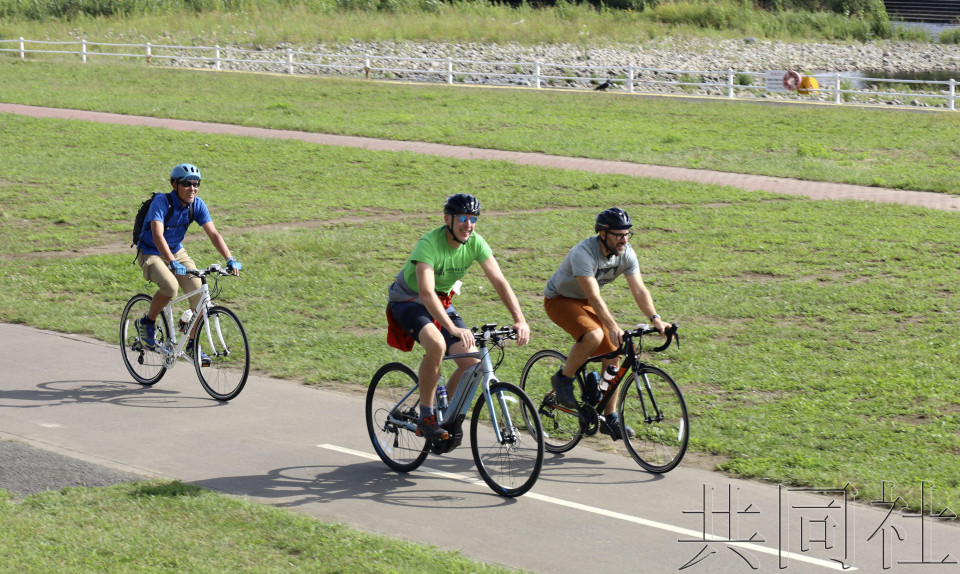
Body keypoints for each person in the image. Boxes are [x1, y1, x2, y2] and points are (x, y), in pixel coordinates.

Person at [387, 193, 530, 440]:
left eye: (473, 218)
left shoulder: (475, 242)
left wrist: (520, 319)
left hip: (441, 301)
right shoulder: (429, 243)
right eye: (462, 217)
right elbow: (425, 292)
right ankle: (427, 416)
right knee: (437, 344)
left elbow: (499, 281)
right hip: (409, 300)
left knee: (472, 364)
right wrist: (452, 328)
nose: (468, 224)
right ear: (447, 219)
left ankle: (447, 412)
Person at [543, 207, 668, 440]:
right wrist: (611, 326)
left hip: (586, 301)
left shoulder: (626, 253)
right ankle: (563, 379)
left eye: (627, 234)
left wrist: (655, 318)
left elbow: (639, 289)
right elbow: (594, 296)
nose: (624, 239)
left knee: (614, 353)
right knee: (594, 336)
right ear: (602, 233)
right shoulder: (584, 253)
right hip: (560, 299)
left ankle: (609, 418)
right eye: (619, 235)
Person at [133, 163, 242, 366]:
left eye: (196, 184)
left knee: (200, 294)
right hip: (150, 251)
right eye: (186, 184)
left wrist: (229, 258)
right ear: (174, 185)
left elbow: (214, 234)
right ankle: (147, 323)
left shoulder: (196, 205)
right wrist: (172, 262)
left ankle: (192, 344)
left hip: (175, 250)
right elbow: (157, 235)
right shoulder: (161, 202)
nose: (192, 188)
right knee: (170, 286)